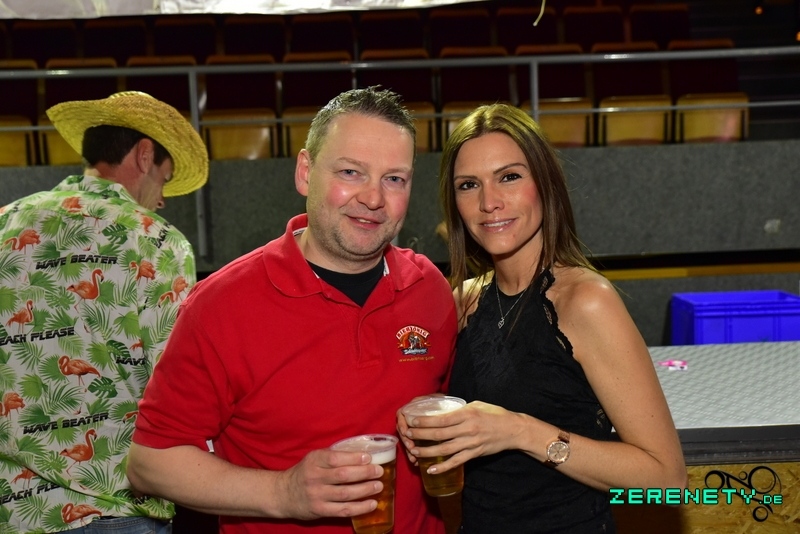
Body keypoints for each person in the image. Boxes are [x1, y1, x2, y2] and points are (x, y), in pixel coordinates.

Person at [126, 87, 458, 533]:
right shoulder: (221, 306)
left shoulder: (429, 290)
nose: (373, 198)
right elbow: (149, 462)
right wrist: (284, 493)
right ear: (305, 172)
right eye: (351, 172)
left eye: (394, 179)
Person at [400, 104, 687, 533]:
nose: (489, 202)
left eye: (509, 177)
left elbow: (667, 480)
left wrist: (521, 432)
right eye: (469, 185)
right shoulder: (462, 302)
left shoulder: (585, 301)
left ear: (545, 184)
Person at [0, 91, 208, 533]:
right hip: (113, 506)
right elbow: (176, 377)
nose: (162, 199)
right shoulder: (155, 239)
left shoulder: (5, 223)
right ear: (145, 155)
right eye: (165, 179)